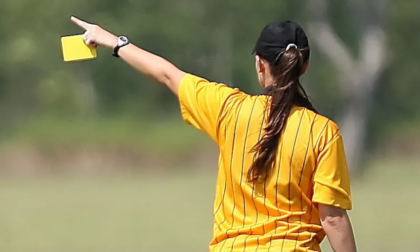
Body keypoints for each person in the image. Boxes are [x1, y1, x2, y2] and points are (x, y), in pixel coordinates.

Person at [70, 16, 357, 252]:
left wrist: (113, 41)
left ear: (260, 64)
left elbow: (167, 74)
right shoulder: (323, 132)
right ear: (304, 66)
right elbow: (332, 219)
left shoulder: (228, 110)